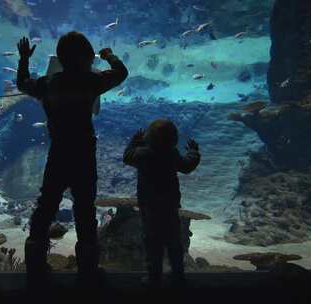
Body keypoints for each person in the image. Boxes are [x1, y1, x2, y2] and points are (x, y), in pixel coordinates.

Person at [16, 32, 128, 288]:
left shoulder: (48, 84)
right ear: (89, 57)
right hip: (83, 154)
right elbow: (121, 73)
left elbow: (23, 83)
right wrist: (109, 55)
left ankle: (35, 269)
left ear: (62, 59)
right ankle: (87, 272)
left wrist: (24, 58)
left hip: (58, 153)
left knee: (45, 207)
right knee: (85, 209)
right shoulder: (92, 81)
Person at [123, 119, 200, 289]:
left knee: (153, 243)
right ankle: (178, 275)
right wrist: (194, 152)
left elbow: (127, 156)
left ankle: (154, 278)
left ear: (148, 138)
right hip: (170, 206)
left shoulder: (142, 154)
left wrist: (135, 141)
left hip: (149, 207)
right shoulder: (171, 154)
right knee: (174, 242)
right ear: (174, 139)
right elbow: (187, 166)